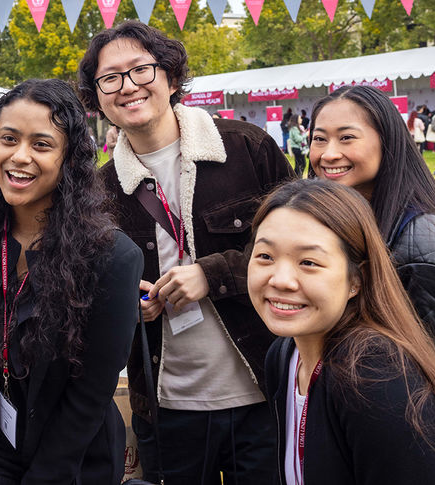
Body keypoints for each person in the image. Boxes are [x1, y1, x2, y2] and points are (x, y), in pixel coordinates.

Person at [78, 20, 294, 485]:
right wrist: (129, 303)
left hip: (265, 394)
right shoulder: (99, 191)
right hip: (166, 408)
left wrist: (211, 275)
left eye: (140, 70)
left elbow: (304, 250)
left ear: (172, 78)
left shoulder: (245, 148)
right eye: (109, 78)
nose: (127, 87)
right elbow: (90, 291)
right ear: (97, 96)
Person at [308, 85, 435, 484]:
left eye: (347, 137)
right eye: (320, 138)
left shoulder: (425, 252)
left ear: (389, 144)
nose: (328, 154)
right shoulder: (364, 222)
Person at [0, 78, 142, 484]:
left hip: (72, 461)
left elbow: (91, 395)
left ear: (69, 157)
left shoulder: (112, 257)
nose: (20, 157)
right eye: (8, 139)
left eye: (41, 144)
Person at [251, 178, 435, 485]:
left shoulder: (374, 377)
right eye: (265, 256)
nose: (281, 279)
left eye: (308, 262)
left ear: (357, 280)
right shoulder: (284, 354)